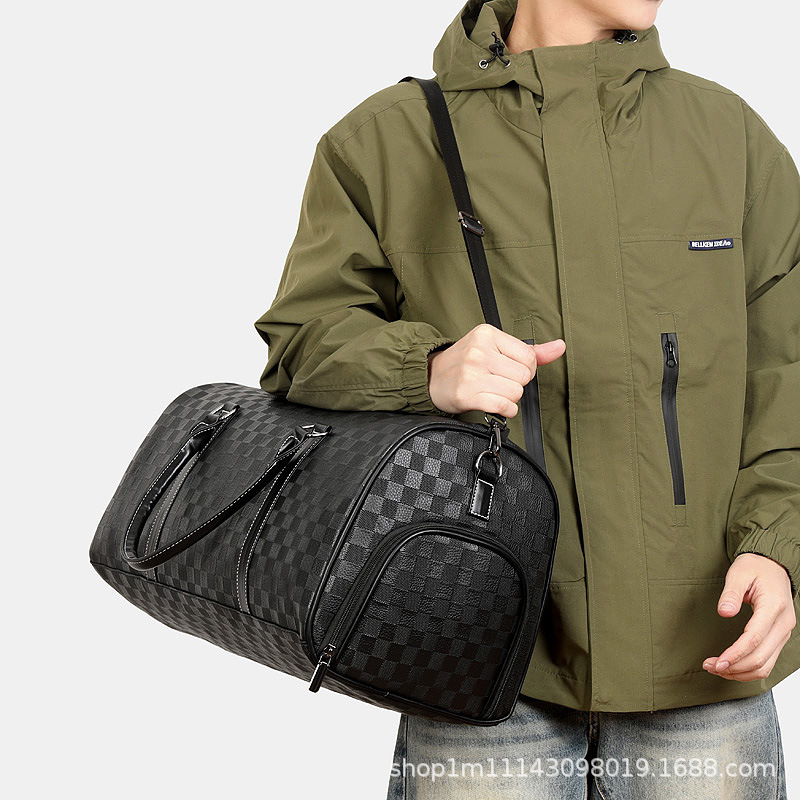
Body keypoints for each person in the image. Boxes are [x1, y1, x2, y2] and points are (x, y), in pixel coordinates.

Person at [253, 0, 799, 796]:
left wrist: (778, 547)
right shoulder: (385, 140)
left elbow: (788, 375)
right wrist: (427, 369)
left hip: (703, 653)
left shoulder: (728, 137)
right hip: (476, 650)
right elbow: (301, 341)